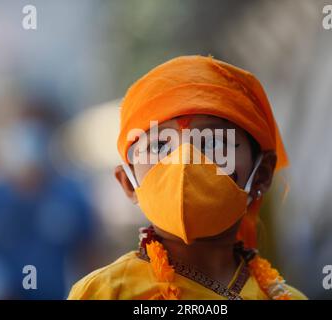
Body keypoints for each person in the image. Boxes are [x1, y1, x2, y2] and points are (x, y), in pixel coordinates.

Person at [68, 55, 307, 300]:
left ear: (262, 175)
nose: (184, 161)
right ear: (128, 183)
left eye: (213, 142)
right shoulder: (103, 293)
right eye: (160, 145)